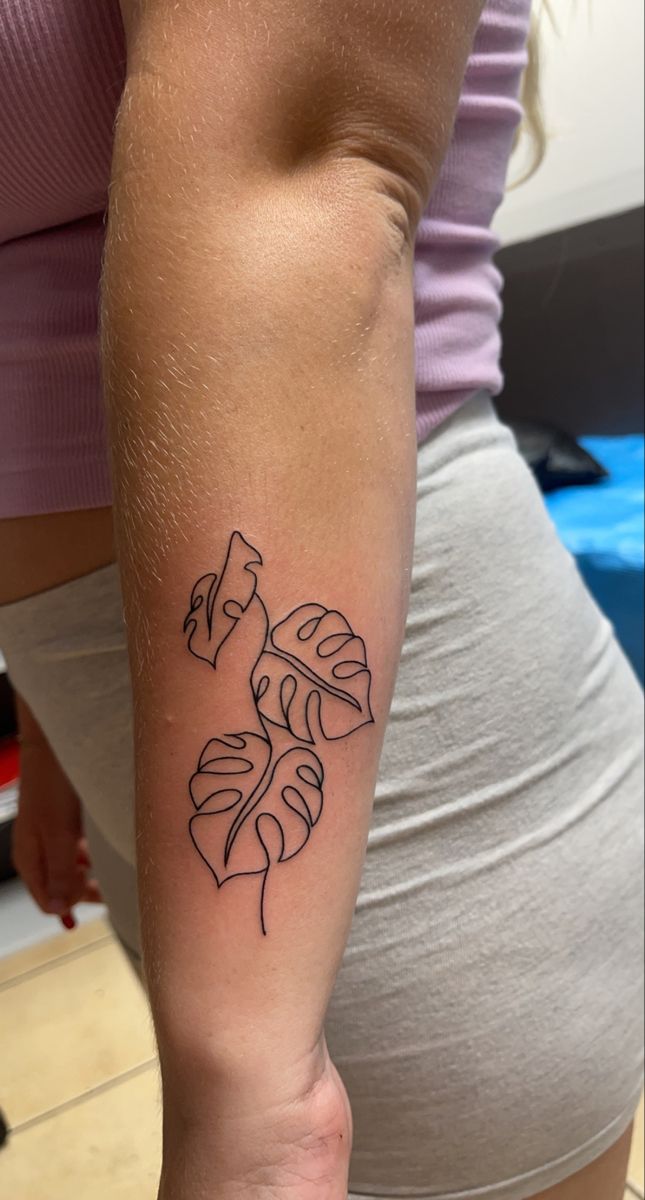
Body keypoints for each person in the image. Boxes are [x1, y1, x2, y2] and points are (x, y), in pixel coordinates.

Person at [0, 0, 643, 1197]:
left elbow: (300, 194)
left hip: (415, 814)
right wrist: (53, 737)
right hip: (181, 821)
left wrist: (255, 1098)